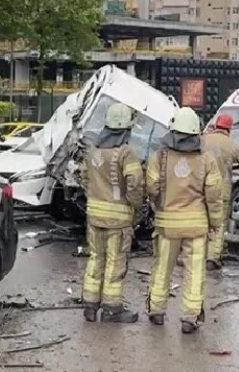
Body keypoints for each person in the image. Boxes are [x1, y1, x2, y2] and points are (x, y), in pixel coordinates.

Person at [146, 107, 224, 334]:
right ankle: (190, 318)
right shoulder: (206, 159)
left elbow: (151, 187)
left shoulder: (159, 157)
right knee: (194, 272)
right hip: (197, 227)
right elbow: (214, 195)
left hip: (167, 225)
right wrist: (215, 223)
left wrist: (159, 205)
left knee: (162, 268)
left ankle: (156, 311)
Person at [80, 103, 145, 324]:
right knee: (115, 263)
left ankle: (90, 306)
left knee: (95, 259)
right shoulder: (126, 153)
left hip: (94, 216)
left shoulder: (92, 150)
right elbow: (134, 184)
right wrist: (135, 205)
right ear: (126, 129)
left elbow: (84, 178)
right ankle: (111, 309)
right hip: (117, 220)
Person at [202, 112, 239, 270]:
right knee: (218, 223)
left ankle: (197, 254)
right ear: (229, 129)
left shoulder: (202, 140)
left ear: (216, 126)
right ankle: (212, 257)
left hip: (200, 189)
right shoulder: (231, 144)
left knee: (201, 220)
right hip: (221, 189)